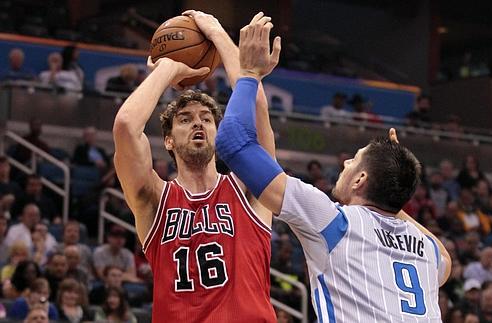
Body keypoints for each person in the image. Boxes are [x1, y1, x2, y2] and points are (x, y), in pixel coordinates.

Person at [215, 19, 451, 321]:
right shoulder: (425, 250)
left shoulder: (333, 221)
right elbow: (445, 259)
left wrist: (248, 74)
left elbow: (233, 141)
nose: (345, 164)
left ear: (361, 179)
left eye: (353, 161)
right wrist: (395, 186)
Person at [112, 11, 277, 322]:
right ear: (169, 141)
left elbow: (255, 105)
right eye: (185, 120)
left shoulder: (248, 189)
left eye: (206, 119)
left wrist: (216, 33)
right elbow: (125, 126)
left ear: (218, 133)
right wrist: (167, 67)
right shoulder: (154, 197)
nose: (198, 124)